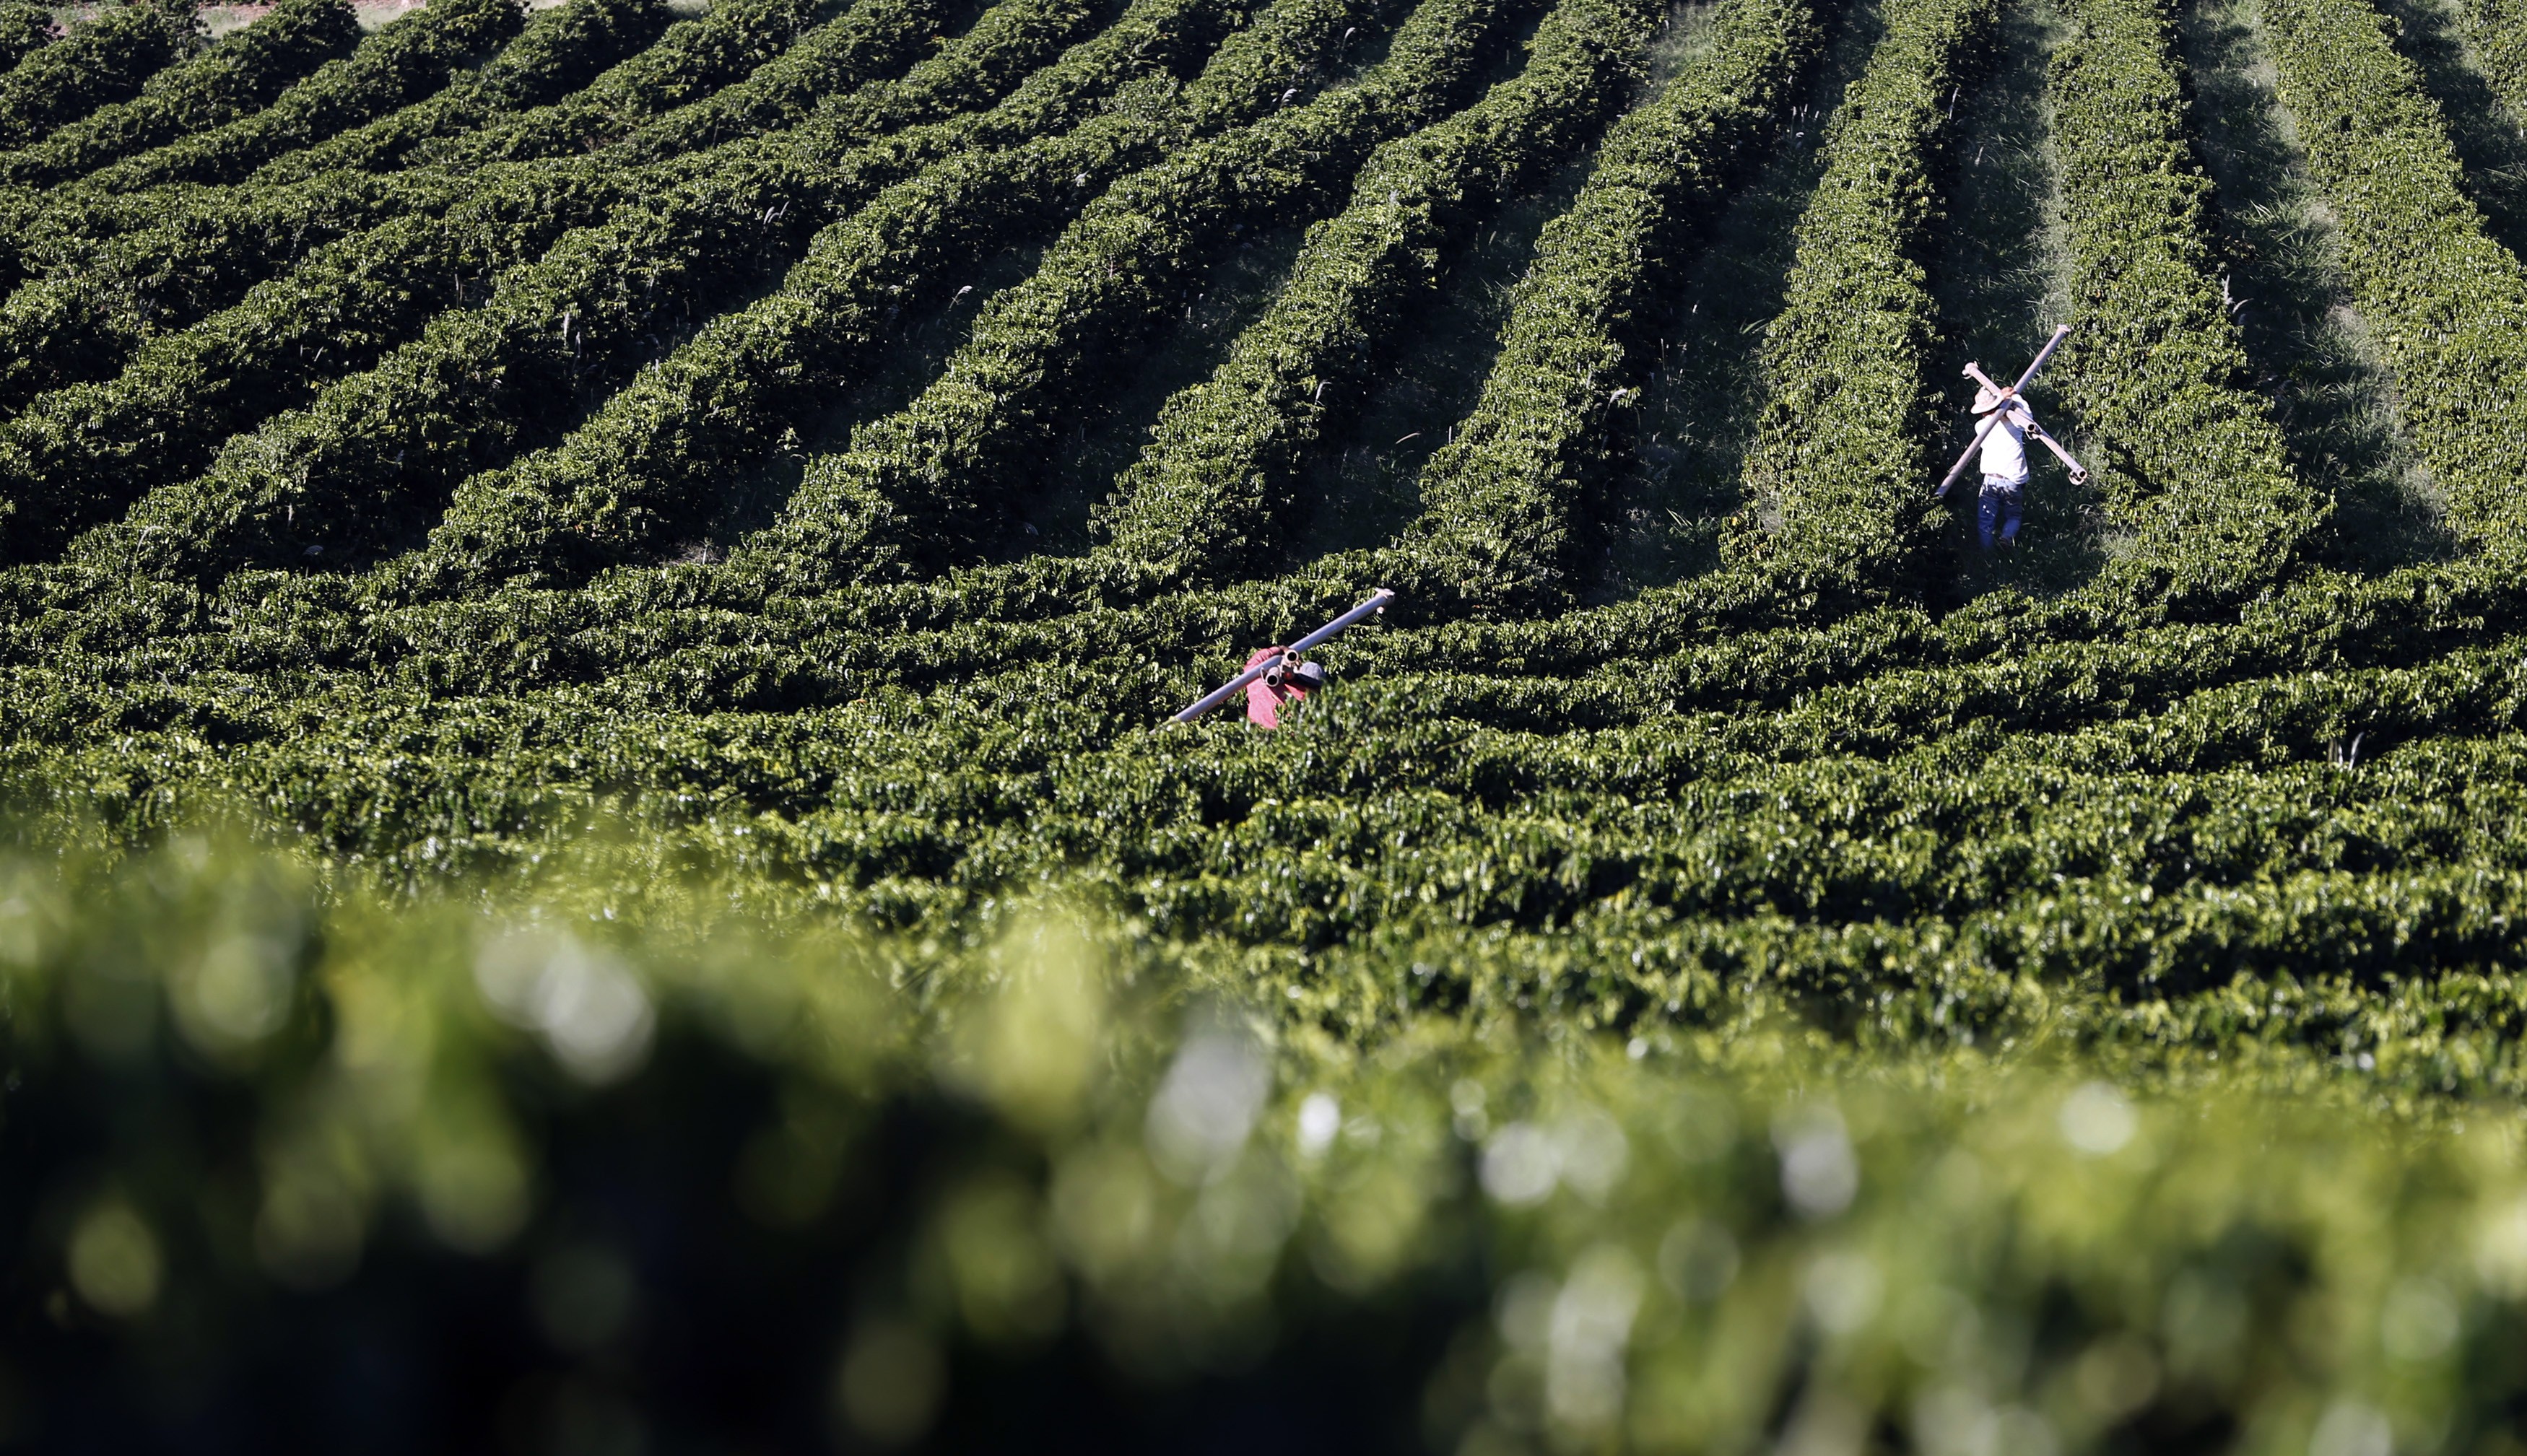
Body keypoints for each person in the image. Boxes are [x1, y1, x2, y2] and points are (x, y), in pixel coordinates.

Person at [1971, 383, 2037, 551]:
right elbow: (2028, 416)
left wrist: (2002, 398)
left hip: (1991, 479)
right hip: (2013, 478)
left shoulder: (1980, 427)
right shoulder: (2015, 423)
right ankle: (2006, 537)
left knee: (1985, 520)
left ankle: (1987, 557)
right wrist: (2014, 397)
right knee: (2013, 515)